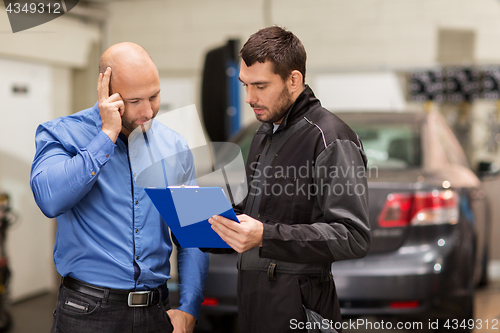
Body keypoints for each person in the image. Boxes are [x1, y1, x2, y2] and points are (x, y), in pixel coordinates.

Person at [30, 42, 209, 333]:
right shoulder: (61, 133)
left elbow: (194, 233)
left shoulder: (175, 145)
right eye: (136, 100)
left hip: (157, 312)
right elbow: (49, 200)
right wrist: (107, 135)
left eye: (155, 96)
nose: (149, 111)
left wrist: (190, 306)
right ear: (107, 92)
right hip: (86, 314)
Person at [209, 26, 371, 332]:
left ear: (293, 80)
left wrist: (265, 236)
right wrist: (207, 224)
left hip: (301, 311)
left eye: (260, 86)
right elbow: (256, 218)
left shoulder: (330, 139)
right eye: (245, 85)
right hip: (256, 305)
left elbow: (352, 236)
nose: (249, 98)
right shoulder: (263, 134)